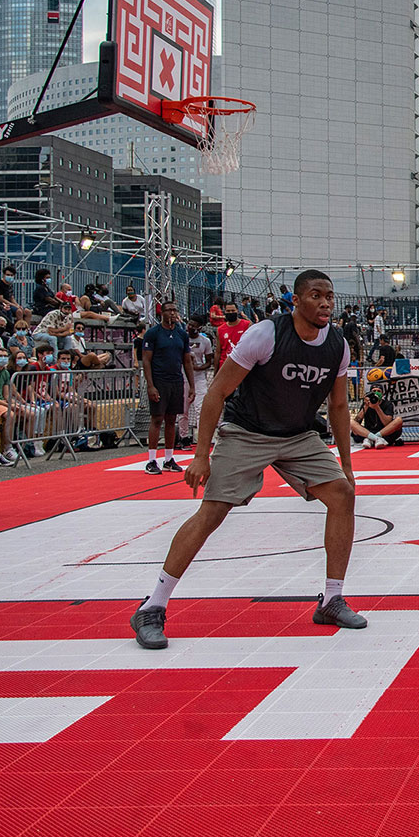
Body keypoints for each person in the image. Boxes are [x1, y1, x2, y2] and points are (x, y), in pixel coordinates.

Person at [128, 269, 363, 650]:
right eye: (316, 295)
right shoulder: (266, 334)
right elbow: (217, 393)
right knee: (212, 512)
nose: (325, 303)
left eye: (330, 296)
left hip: (298, 434)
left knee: (342, 495)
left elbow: (338, 405)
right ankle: (152, 606)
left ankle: (332, 600)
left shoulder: (337, 343)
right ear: (297, 301)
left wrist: (347, 464)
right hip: (248, 431)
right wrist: (201, 455)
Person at [141, 302, 193, 475]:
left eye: (174, 310)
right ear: (161, 313)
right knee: (157, 418)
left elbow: (186, 360)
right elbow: (146, 360)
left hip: (176, 380)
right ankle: (151, 460)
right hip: (159, 380)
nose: (172, 313)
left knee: (172, 420)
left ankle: (169, 459)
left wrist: (191, 385)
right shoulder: (153, 334)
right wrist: (150, 385)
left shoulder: (181, 334)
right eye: (169, 310)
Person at [181, 317, 215, 447]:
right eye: (189, 324)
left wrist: (198, 367)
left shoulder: (205, 341)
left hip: (199, 377)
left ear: (199, 327)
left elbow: (208, 361)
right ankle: (183, 437)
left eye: (193, 325)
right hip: (183, 376)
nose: (190, 327)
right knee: (183, 409)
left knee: (201, 408)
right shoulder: (182, 338)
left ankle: (202, 438)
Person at [215, 302, 252, 370]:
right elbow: (218, 352)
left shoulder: (247, 325)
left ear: (237, 311)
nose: (231, 312)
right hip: (225, 366)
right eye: (228, 311)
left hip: (242, 366)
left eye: (233, 310)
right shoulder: (220, 329)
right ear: (225, 311)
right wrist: (215, 372)